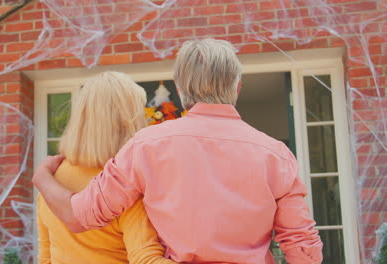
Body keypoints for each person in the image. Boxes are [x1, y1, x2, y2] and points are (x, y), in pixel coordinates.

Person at [34, 39, 323, 264]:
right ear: (237, 88)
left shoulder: (145, 146)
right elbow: (301, 244)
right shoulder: (276, 154)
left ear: (180, 88)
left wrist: (43, 177)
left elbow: (78, 217)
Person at [36, 71, 178, 264]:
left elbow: (46, 257)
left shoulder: (50, 182)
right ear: (128, 121)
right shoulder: (124, 185)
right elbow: (146, 260)